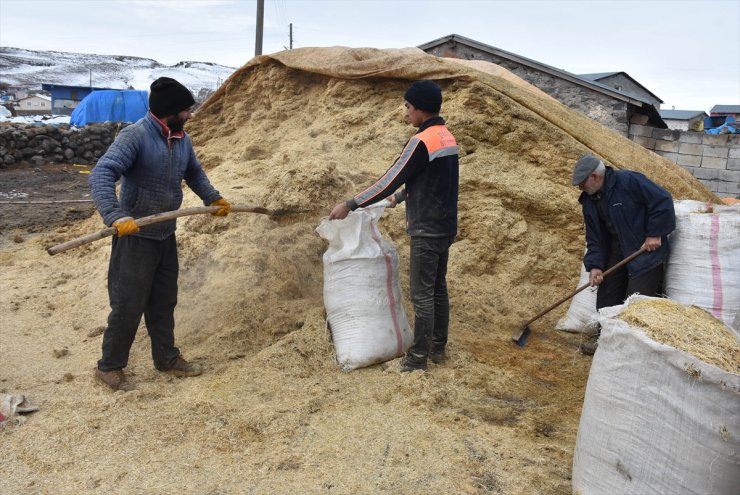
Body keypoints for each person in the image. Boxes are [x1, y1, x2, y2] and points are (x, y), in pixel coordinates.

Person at [89, 77, 231, 391]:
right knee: (128, 304)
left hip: (165, 235)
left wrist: (213, 197)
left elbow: (193, 172)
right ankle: (109, 366)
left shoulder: (182, 139)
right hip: (135, 236)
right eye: (186, 110)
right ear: (169, 112)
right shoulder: (135, 136)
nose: (190, 115)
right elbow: (103, 172)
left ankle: (166, 358)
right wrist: (116, 216)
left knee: (164, 301)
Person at [329, 80, 459, 372]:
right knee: (438, 288)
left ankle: (418, 358)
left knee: (422, 293)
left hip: (426, 227)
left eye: (408, 107)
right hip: (446, 224)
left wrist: (350, 204)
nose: (405, 113)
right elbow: (434, 179)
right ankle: (438, 347)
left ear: (421, 109)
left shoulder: (421, 141)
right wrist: (401, 198)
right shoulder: (446, 136)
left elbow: (391, 178)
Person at [572, 154, 675, 355]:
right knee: (606, 297)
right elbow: (594, 237)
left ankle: (629, 352)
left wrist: (655, 232)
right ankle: (605, 344)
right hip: (617, 250)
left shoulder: (629, 181)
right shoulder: (590, 201)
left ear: (594, 176)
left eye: (582, 183)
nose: (579, 188)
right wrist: (595, 265)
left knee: (635, 303)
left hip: (645, 250)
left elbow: (662, 200)